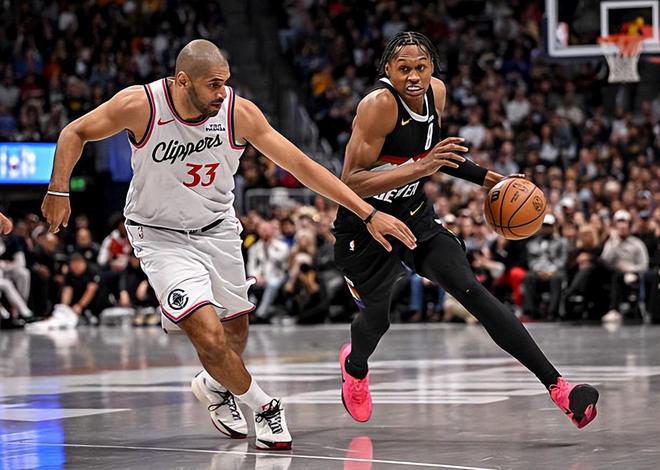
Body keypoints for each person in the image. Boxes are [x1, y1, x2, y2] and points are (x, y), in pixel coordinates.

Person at [41, 39, 416, 450]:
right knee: (208, 335)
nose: (223, 92)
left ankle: (215, 386)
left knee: (234, 336)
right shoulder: (142, 104)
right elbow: (74, 131)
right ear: (183, 81)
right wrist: (59, 188)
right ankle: (266, 407)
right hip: (160, 235)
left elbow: (302, 165)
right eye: (214, 84)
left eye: (225, 82)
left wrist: (367, 212)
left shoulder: (238, 113)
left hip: (218, 229)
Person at [332, 31, 598, 429]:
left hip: (414, 216)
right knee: (377, 319)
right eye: (403, 69)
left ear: (432, 68)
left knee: (473, 290)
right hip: (365, 225)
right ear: (388, 69)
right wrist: (421, 167)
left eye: (421, 67)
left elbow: (438, 155)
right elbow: (350, 182)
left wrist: (493, 180)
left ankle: (559, 388)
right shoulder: (378, 106)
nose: (413, 76)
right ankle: (355, 368)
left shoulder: (436, 94)